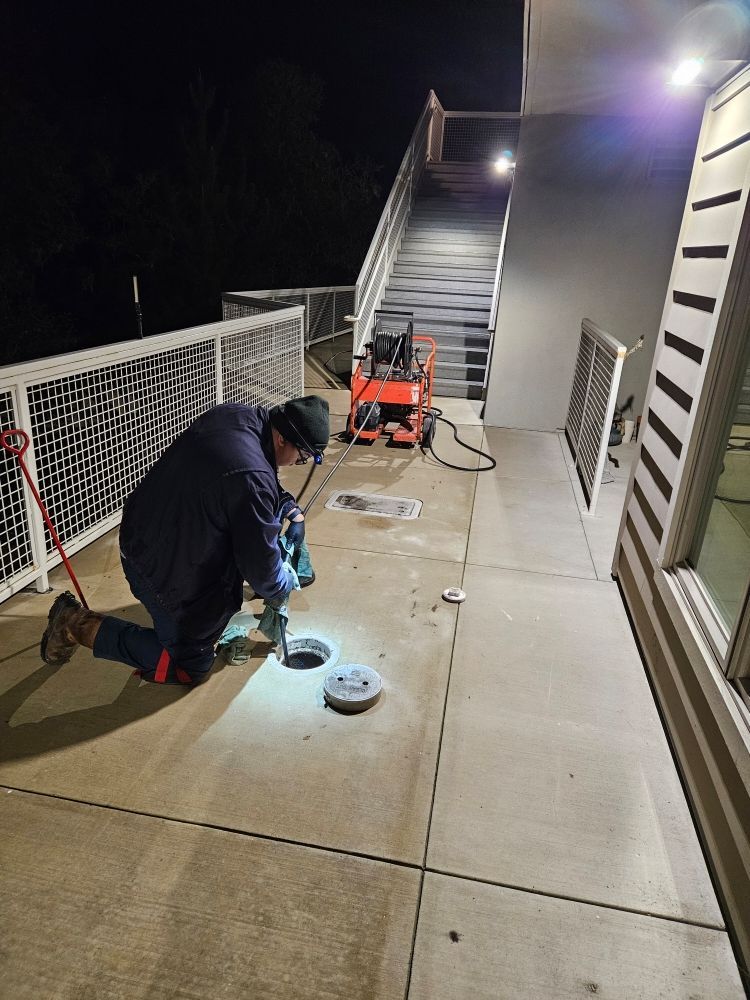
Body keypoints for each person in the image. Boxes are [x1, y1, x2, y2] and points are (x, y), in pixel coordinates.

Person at [40, 395, 330, 684]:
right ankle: (73, 624)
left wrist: (289, 507)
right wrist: (280, 586)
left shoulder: (236, 417)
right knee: (192, 665)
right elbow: (261, 567)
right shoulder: (252, 475)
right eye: (303, 455)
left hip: (149, 528)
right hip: (157, 563)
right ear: (282, 439)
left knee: (226, 595)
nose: (300, 462)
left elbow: (251, 478)